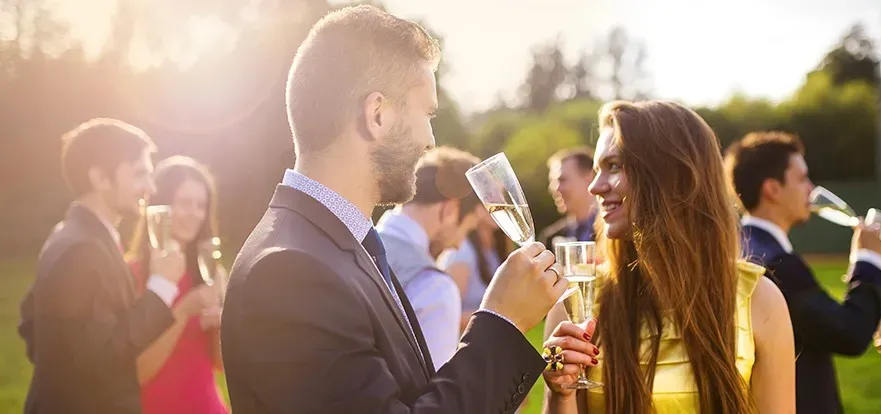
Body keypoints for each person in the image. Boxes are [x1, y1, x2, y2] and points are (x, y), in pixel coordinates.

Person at [220, 5, 567, 414]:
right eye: (427, 112)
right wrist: (501, 322)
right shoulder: (291, 271)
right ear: (377, 114)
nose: (431, 139)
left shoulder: (344, 244)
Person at [542, 101, 796, 414]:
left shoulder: (759, 299)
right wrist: (560, 393)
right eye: (596, 170)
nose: (595, 186)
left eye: (614, 166)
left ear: (672, 176)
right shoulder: (577, 303)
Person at [18, 118, 185, 414]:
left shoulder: (73, 234)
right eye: (139, 173)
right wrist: (162, 287)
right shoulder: (81, 249)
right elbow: (102, 357)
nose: (150, 185)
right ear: (100, 179)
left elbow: (30, 322)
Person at [724, 131, 881, 414]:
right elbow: (848, 333)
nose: (811, 188)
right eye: (802, 178)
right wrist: (868, 260)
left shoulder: (740, 248)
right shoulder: (776, 262)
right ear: (772, 189)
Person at [125, 155, 226, 414]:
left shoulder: (212, 273)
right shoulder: (132, 275)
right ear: (161, 208)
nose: (194, 214)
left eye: (201, 205)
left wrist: (220, 327)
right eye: (184, 203)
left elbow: (221, 364)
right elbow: (138, 372)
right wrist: (183, 311)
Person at [375, 146, 483, 369]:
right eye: (467, 230)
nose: (458, 244)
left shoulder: (352, 244)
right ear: (450, 210)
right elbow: (435, 398)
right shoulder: (434, 288)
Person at [442, 207, 502, 331]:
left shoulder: (494, 249)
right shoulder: (462, 252)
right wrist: (499, 315)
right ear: (478, 208)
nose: (502, 206)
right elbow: (446, 316)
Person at [538, 147, 599, 250]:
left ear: (589, 178)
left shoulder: (614, 232)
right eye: (552, 182)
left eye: (562, 180)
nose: (553, 188)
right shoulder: (550, 238)